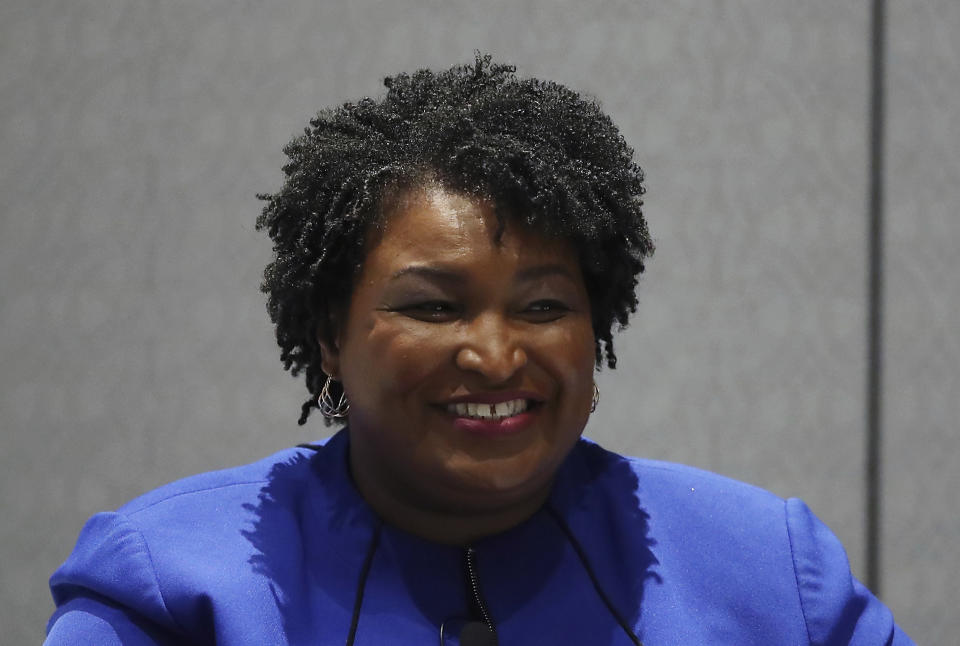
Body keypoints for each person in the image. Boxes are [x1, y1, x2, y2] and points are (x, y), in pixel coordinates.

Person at [45, 55, 913, 645]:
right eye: (432, 307)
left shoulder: (769, 574)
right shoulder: (171, 585)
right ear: (329, 339)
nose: (495, 356)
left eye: (542, 305)